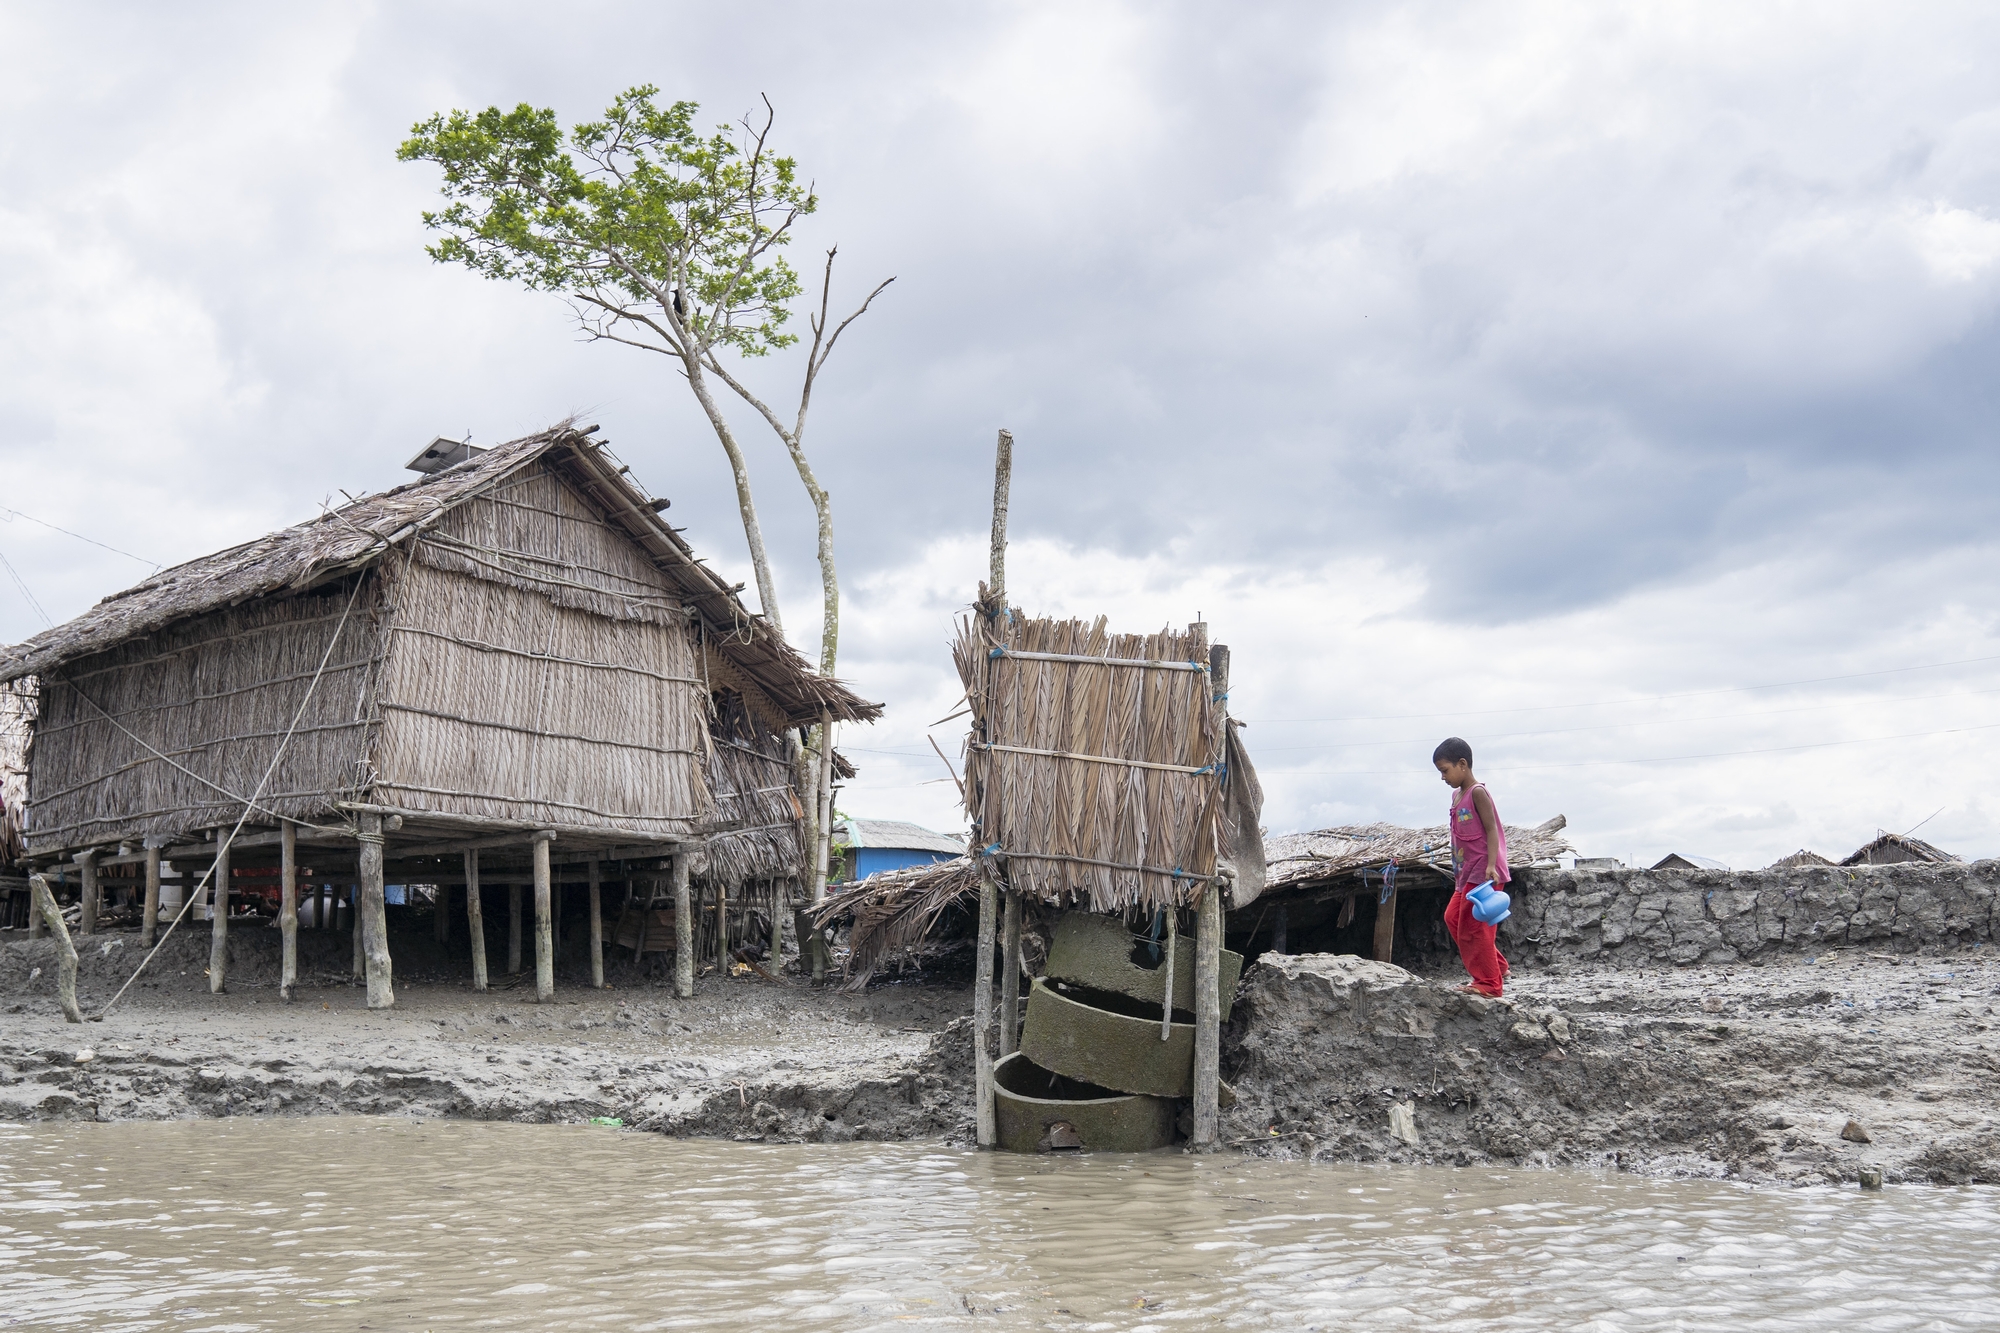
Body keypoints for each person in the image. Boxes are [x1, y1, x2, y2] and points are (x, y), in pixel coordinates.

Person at [1433, 736, 1509, 997]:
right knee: (1453, 918)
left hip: (1484, 871)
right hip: (1464, 874)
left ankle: (1489, 983)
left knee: (1475, 928)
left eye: (1445, 770)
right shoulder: (1457, 795)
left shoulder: (1478, 792)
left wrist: (1491, 865)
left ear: (1462, 764)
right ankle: (1498, 966)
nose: (1443, 777)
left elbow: (1492, 830)